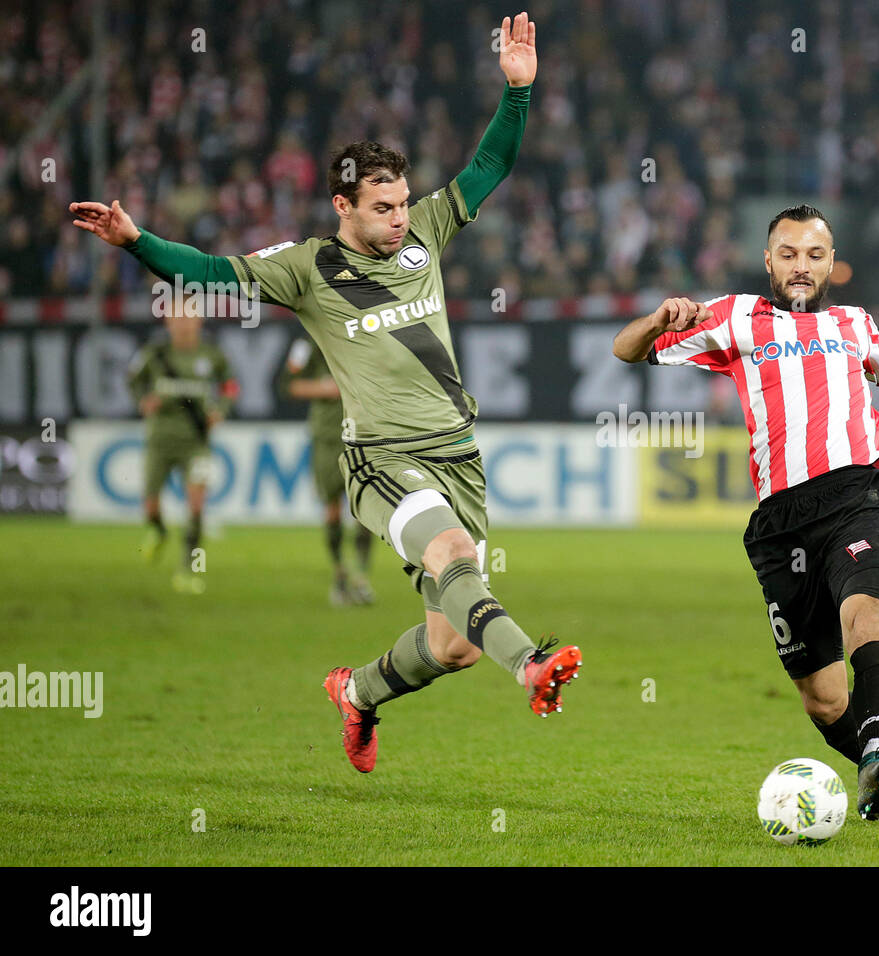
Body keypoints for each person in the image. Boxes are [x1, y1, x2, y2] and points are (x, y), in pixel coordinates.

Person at [72, 12, 580, 776]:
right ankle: (533, 666)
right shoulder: (306, 268)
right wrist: (137, 241)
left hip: (457, 455)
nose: (400, 217)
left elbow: (492, 165)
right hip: (382, 459)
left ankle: (359, 691)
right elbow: (210, 273)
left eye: (404, 202)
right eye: (383, 207)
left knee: (454, 644)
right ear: (342, 206)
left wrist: (518, 92)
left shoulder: (427, 233)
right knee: (450, 555)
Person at [613, 204, 879, 824]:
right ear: (768, 261)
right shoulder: (733, 318)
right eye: (788, 254)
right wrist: (658, 319)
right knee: (823, 698)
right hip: (781, 517)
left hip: (860, 490)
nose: (800, 267)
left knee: (866, 607)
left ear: (831, 262)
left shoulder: (855, 324)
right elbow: (625, 350)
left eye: (813, 255)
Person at [127, 296, 237, 594]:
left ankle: (188, 569)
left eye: (190, 318)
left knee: (196, 505)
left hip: (196, 442)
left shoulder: (211, 354)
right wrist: (142, 401)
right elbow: (133, 379)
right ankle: (158, 529)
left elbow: (230, 384)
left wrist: (222, 409)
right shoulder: (155, 352)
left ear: (198, 321)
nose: (185, 324)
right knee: (150, 505)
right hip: (160, 440)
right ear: (169, 321)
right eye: (179, 318)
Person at [283, 336, 374, 606]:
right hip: (326, 439)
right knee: (332, 508)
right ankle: (340, 574)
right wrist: (324, 389)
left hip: (363, 438)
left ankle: (361, 576)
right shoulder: (307, 345)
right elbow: (286, 385)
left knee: (365, 510)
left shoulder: (365, 338)